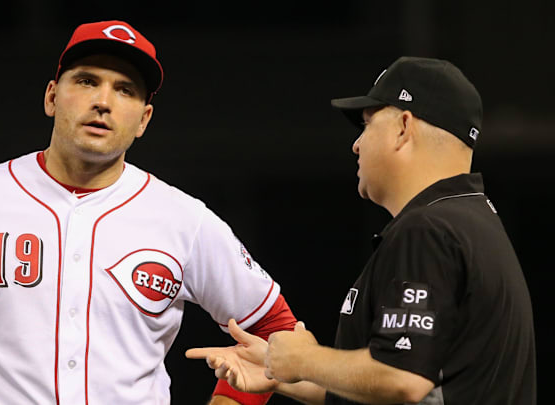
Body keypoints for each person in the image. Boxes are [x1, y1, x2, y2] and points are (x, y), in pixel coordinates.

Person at [0, 20, 298, 405]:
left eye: (124, 90)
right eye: (86, 81)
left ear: (143, 120)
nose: (103, 100)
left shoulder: (185, 220)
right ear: (51, 97)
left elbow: (279, 332)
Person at [186, 56, 536, 404]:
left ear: (403, 127)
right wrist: (280, 373)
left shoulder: (428, 228)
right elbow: (405, 383)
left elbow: (403, 378)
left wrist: (304, 359)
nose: (356, 144)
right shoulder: (471, 219)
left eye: (367, 125)